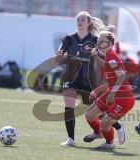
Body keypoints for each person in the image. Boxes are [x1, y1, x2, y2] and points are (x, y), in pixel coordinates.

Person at [54, 11, 124, 146]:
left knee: (93, 111)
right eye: (78, 19)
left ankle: (117, 125)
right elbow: (58, 58)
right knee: (69, 106)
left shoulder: (94, 39)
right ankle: (71, 139)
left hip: (88, 79)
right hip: (70, 76)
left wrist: (102, 48)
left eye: (83, 19)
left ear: (88, 23)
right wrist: (58, 56)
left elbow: (104, 56)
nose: (80, 21)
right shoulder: (68, 39)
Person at [83, 31, 135, 149]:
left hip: (123, 97)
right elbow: (110, 81)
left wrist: (112, 92)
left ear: (110, 43)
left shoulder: (111, 55)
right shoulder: (108, 56)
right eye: (99, 40)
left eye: (103, 40)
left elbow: (121, 76)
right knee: (90, 116)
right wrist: (97, 91)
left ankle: (109, 143)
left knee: (105, 124)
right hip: (113, 92)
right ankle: (98, 133)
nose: (99, 42)